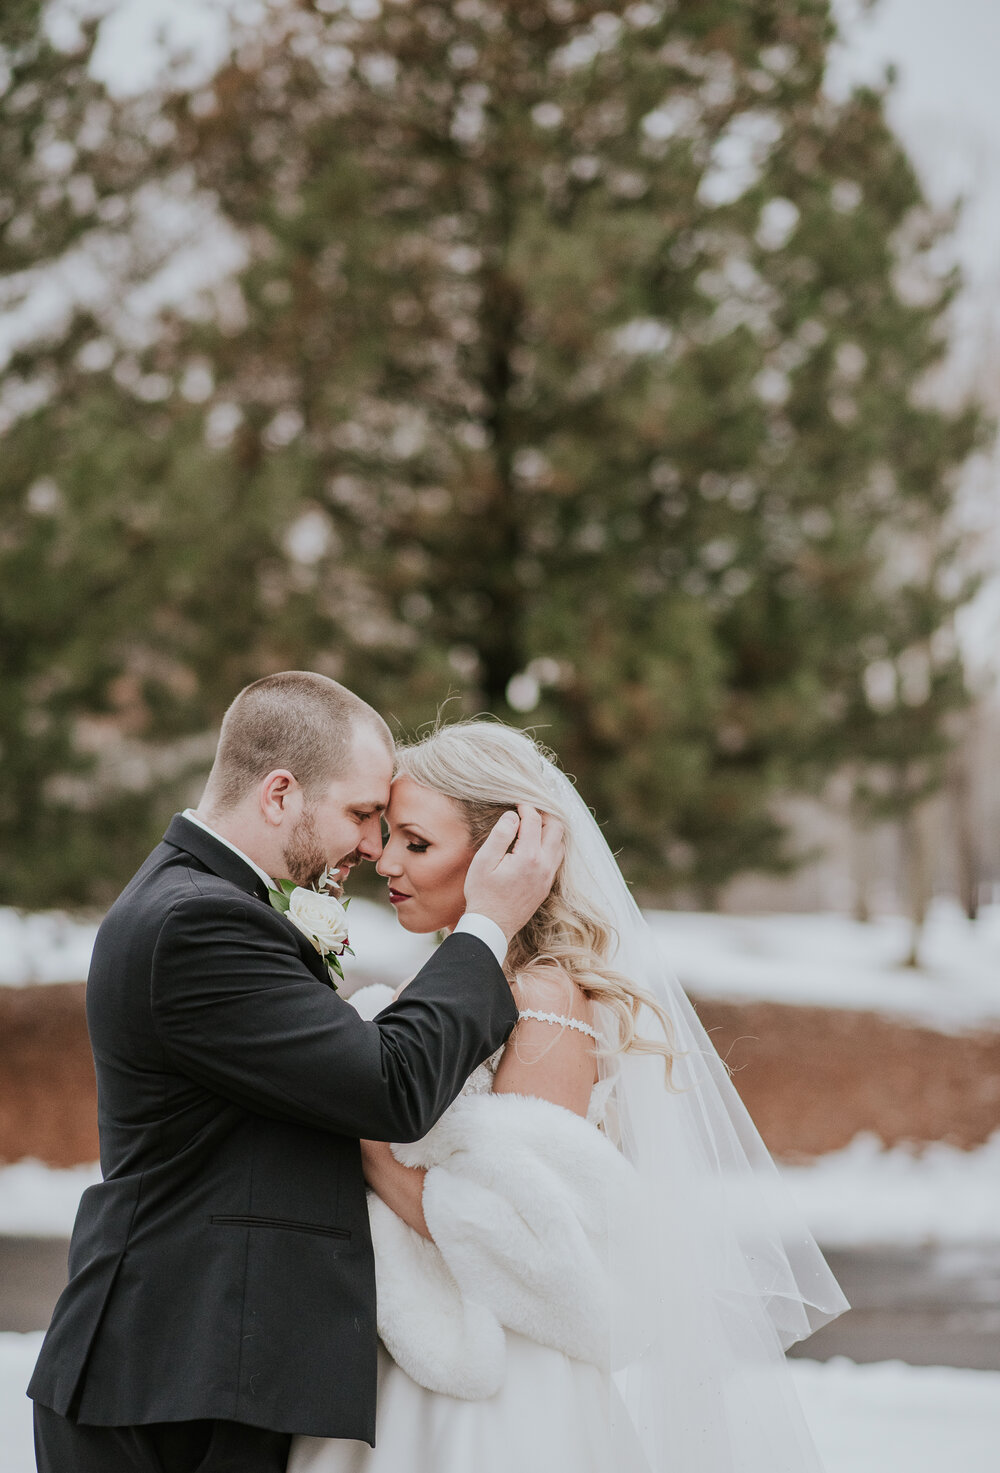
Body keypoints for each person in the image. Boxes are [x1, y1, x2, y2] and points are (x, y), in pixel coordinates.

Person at [28, 673, 562, 1473]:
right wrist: (486, 924)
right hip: (175, 1376)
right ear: (280, 793)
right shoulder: (197, 921)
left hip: (206, 1366)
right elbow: (390, 1086)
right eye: (359, 814)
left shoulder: (207, 901)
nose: (374, 846)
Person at [289, 720, 850, 1473]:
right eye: (388, 834)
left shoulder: (542, 994)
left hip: (495, 1402)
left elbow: (522, 1239)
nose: (384, 859)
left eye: (416, 843)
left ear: (505, 854)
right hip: (414, 1362)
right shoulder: (450, 977)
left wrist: (348, 1116)